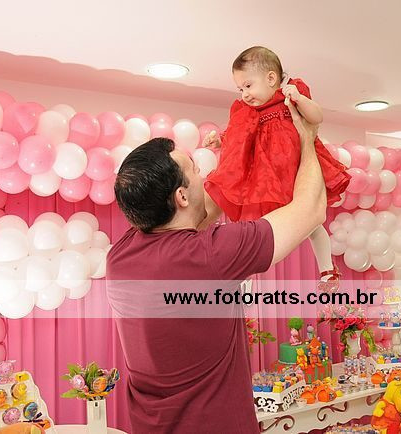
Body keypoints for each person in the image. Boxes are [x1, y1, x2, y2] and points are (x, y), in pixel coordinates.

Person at [106, 100, 326, 433]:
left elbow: (207, 207)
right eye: (196, 170)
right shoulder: (210, 255)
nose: (203, 176)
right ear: (181, 196)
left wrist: (239, 150)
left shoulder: (120, 256)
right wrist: (307, 137)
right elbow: (312, 209)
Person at [203, 46, 350, 292]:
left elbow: (316, 117)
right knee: (257, 227)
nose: (244, 94)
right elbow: (240, 137)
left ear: (271, 78)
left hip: (295, 171)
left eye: (248, 86)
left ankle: (327, 270)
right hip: (267, 178)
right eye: (240, 89)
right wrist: (220, 140)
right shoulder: (247, 112)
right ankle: (244, 277)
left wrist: (300, 99)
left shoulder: (291, 94)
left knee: (312, 223)